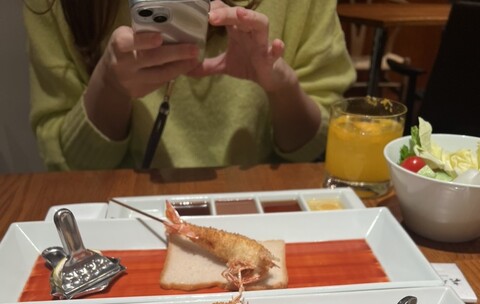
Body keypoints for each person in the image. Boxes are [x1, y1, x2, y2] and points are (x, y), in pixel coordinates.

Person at [23, 0, 356, 171]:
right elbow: (70, 165)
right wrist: (109, 86)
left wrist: (281, 86)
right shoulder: (56, 7)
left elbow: (318, 148)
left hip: (268, 206)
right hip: (115, 214)